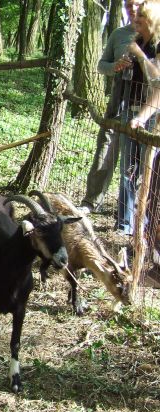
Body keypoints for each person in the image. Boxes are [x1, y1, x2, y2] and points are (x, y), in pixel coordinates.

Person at [79, 0, 143, 214]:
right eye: (128, 5)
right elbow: (100, 65)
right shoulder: (118, 34)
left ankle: (132, 210)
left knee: (137, 158)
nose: (132, 9)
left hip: (144, 107)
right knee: (105, 148)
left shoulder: (156, 34)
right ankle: (91, 201)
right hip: (116, 103)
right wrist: (116, 66)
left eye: (136, 4)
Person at [114, 0, 160, 236]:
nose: (136, 25)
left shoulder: (156, 45)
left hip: (153, 120)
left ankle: (149, 228)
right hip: (132, 109)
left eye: (141, 22)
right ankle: (126, 223)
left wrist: (140, 55)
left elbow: (158, 83)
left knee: (151, 175)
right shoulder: (138, 41)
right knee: (128, 169)